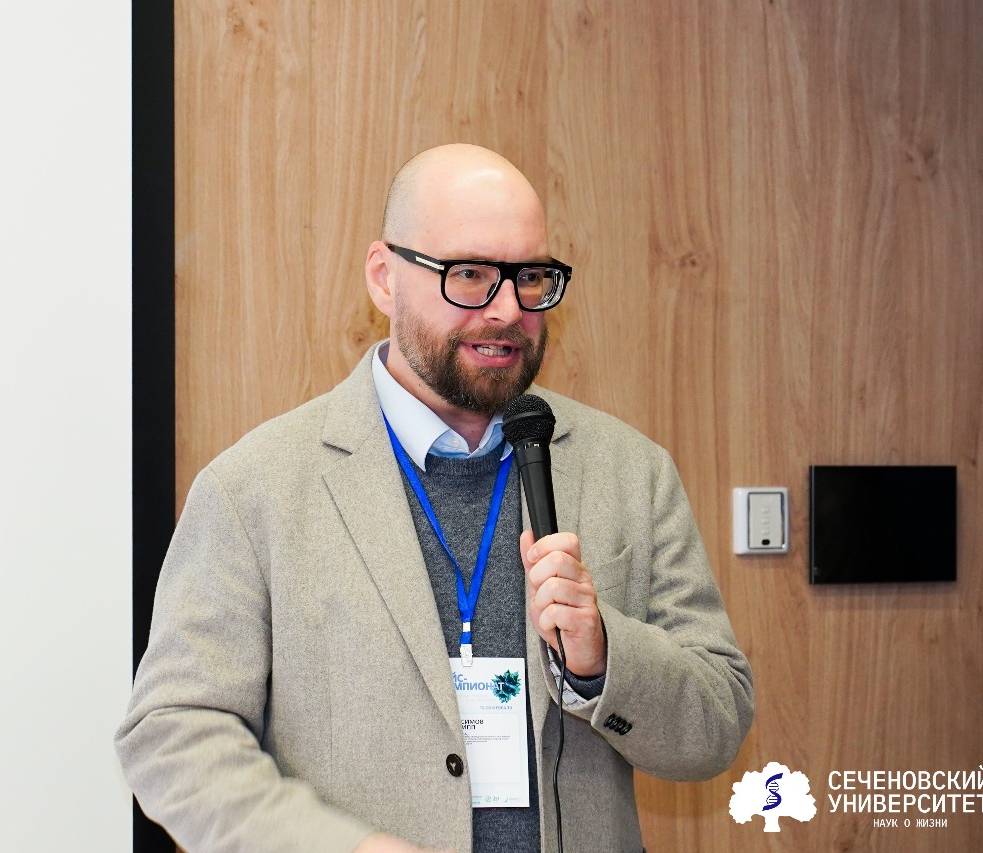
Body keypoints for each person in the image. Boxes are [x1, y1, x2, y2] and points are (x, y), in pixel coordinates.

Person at [116, 144, 754, 853]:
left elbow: (717, 721)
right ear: (384, 278)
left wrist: (605, 657)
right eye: (470, 274)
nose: (508, 309)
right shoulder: (255, 490)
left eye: (530, 277)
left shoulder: (630, 470)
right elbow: (172, 734)